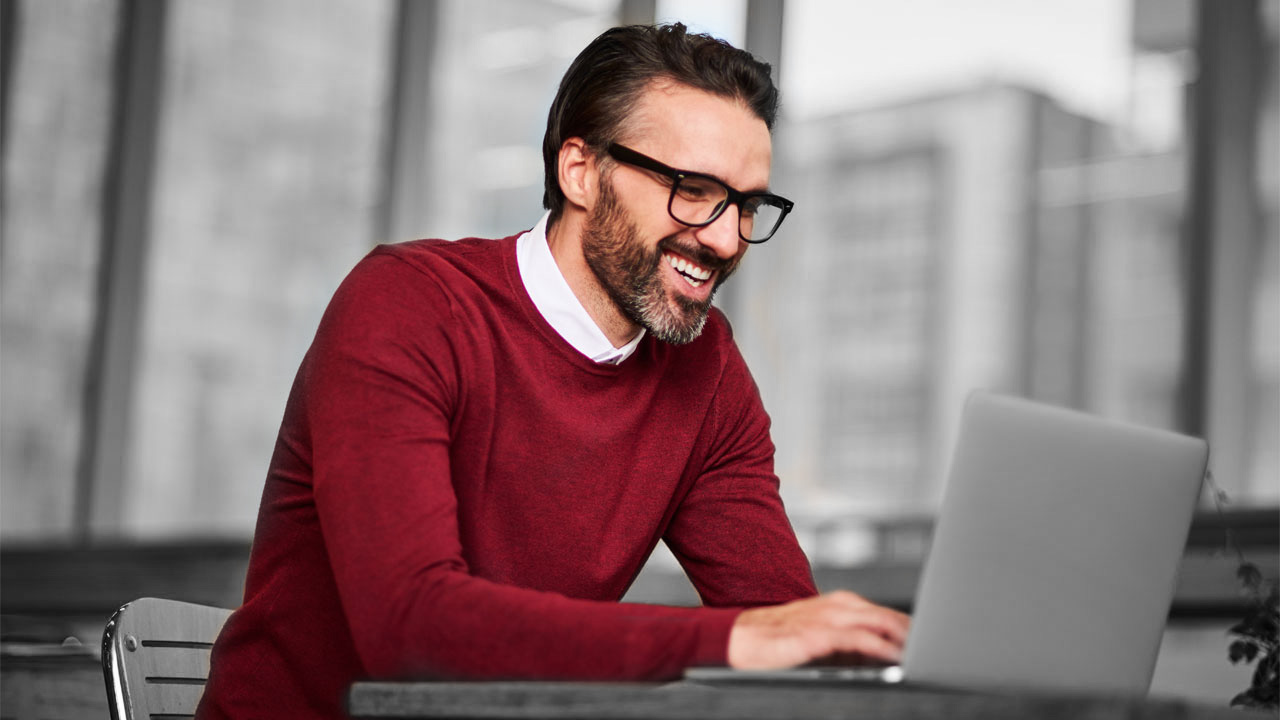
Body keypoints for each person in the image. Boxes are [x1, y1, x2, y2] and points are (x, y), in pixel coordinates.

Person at [198, 23, 909, 719]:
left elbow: (782, 626)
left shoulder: (706, 369)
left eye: (747, 204)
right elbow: (410, 628)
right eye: (692, 188)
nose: (725, 238)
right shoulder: (409, 304)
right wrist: (736, 642)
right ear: (581, 173)